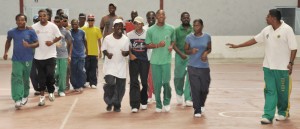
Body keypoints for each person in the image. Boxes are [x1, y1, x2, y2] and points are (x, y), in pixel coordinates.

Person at [226, 9, 297, 124]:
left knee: (282, 93)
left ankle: (283, 112)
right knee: (270, 91)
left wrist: (291, 63)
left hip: (282, 68)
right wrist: (238, 46)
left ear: (274, 18)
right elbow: (254, 40)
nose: (266, 18)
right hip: (268, 67)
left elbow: (294, 48)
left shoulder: (287, 30)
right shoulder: (266, 30)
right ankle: (268, 115)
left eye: (268, 16)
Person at [3, 14, 39, 109]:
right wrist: (6, 52)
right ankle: (17, 98)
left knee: (25, 78)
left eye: (22, 20)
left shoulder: (31, 31)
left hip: (28, 59)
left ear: (25, 21)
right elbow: (8, 41)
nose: (20, 22)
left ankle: (25, 95)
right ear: (16, 21)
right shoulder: (12, 32)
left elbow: (37, 43)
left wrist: (29, 46)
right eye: (18, 20)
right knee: (16, 78)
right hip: (16, 59)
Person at [145, 10, 175, 112]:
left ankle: (166, 101)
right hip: (155, 62)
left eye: (163, 14)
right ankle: (158, 104)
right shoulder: (150, 30)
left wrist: (171, 46)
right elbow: (147, 44)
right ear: (156, 16)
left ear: (165, 16)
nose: (161, 16)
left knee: (166, 83)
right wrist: (157, 45)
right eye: (159, 14)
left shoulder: (171, 28)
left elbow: (173, 40)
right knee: (157, 84)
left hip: (166, 60)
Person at [32, 9, 62, 106]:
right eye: (40, 16)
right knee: (41, 78)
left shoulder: (53, 26)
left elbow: (59, 37)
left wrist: (52, 42)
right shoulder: (34, 27)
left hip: (50, 56)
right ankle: (41, 98)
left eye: (44, 15)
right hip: (38, 57)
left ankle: (51, 92)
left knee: (50, 75)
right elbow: (30, 36)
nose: (42, 17)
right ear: (38, 17)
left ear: (48, 17)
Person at [185, 19, 211, 118]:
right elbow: (186, 50)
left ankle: (201, 103)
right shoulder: (189, 37)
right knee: (195, 88)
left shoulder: (207, 36)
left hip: (204, 67)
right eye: (194, 26)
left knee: (204, 89)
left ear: (202, 26)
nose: (196, 27)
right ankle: (197, 109)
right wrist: (191, 51)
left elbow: (209, 48)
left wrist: (205, 53)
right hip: (192, 66)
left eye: (198, 25)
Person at [102, 19, 130, 112]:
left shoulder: (126, 39)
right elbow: (104, 49)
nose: (119, 27)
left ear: (122, 27)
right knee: (110, 83)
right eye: (117, 25)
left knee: (120, 87)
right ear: (113, 27)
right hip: (110, 65)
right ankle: (109, 101)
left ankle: (117, 104)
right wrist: (107, 54)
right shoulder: (107, 38)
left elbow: (127, 52)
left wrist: (125, 54)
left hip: (121, 65)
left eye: (121, 26)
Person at [127, 16, 149, 112]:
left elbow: (149, 46)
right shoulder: (129, 35)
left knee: (144, 82)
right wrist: (130, 54)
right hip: (134, 61)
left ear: (142, 24)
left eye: (139, 23)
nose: (137, 25)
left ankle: (143, 100)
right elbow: (127, 47)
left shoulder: (147, 34)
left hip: (144, 61)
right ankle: (134, 105)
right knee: (134, 82)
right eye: (135, 23)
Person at [173, 12, 193, 106]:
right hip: (180, 55)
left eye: (187, 17)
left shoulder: (193, 29)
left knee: (190, 77)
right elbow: (173, 44)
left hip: (191, 56)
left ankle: (188, 98)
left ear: (190, 19)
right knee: (179, 77)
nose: (186, 19)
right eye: (184, 18)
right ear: (181, 19)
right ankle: (178, 92)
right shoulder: (177, 30)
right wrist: (181, 54)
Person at [53, 15, 73, 97]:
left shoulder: (66, 31)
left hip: (63, 55)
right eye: (55, 22)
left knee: (62, 73)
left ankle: (61, 90)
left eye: (59, 21)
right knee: (56, 73)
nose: (57, 23)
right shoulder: (52, 31)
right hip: (53, 55)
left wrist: (69, 55)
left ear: (62, 21)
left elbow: (71, 43)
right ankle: (57, 83)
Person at [82, 14, 102, 89]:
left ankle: (93, 83)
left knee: (93, 68)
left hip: (94, 52)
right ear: (87, 20)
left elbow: (99, 41)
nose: (90, 21)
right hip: (85, 52)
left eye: (92, 20)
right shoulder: (83, 29)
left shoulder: (97, 29)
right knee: (86, 68)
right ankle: (86, 81)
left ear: (94, 21)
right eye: (89, 19)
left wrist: (100, 51)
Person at [70, 19, 87, 92]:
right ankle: (75, 85)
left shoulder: (82, 32)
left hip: (81, 55)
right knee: (73, 71)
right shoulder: (69, 33)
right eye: (73, 24)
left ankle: (81, 84)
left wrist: (87, 50)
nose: (74, 26)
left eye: (76, 24)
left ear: (78, 24)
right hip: (73, 55)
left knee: (81, 70)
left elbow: (85, 41)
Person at [143, 11, 156, 103]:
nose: (151, 20)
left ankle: (154, 94)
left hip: (156, 56)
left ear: (155, 18)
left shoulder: (159, 28)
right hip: (145, 56)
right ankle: (149, 94)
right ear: (146, 19)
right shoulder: (143, 29)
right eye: (149, 18)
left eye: (152, 18)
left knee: (155, 77)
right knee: (147, 77)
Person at [30, 14, 41, 96]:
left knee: (43, 71)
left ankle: (44, 86)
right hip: (33, 54)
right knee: (33, 72)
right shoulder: (30, 29)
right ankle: (37, 88)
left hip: (43, 53)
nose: (37, 22)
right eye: (36, 20)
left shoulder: (45, 28)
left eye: (38, 20)